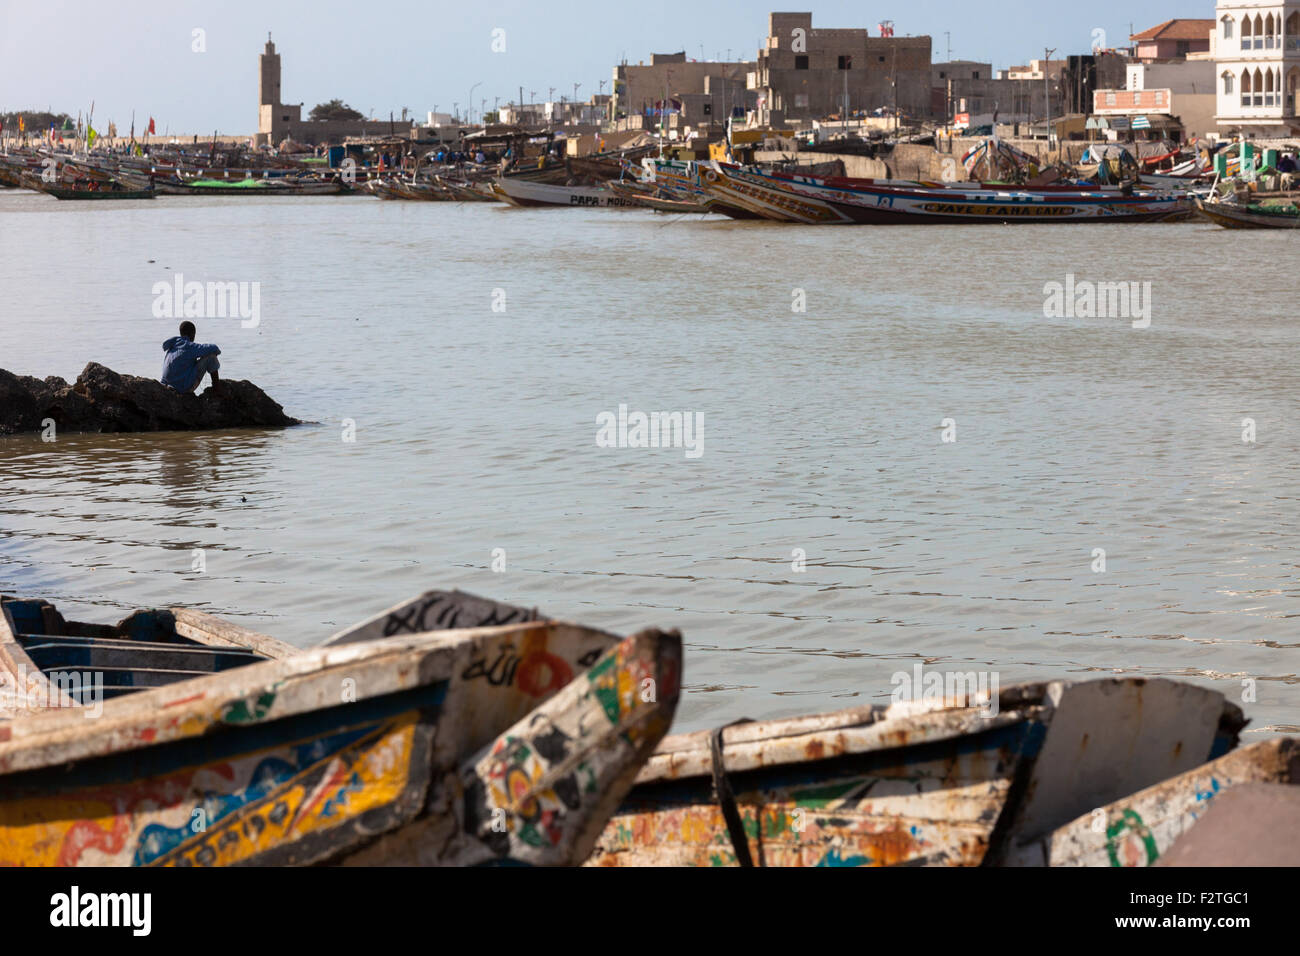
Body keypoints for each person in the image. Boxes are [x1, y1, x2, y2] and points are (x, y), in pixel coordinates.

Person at [161, 321, 221, 393]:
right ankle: (217, 389)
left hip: (165, 385)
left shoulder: (173, 344)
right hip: (182, 388)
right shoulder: (189, 346)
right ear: (192, 334)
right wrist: (216, 353)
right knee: (211, 357)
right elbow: (214, 348)